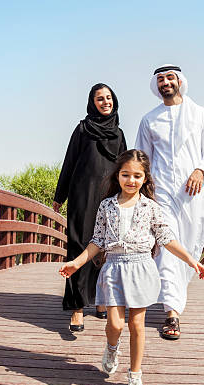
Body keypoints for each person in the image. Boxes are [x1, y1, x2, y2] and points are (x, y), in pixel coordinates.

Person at [59, 149, 204, 385]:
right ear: (118, 176)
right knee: (115, 325)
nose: (131, 180)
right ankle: (112, 348)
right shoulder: (106, 206)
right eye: (125, 175)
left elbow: (167, 239)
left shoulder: (151, 207)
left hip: (142, 269)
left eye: (137, 176)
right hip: (113, 269)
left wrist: (191, 261)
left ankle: (135, 377)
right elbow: (97, 241)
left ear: (145, 179)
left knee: (137, 325)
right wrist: (77, 262)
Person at [135, 64, 204, 340]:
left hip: (192, 193)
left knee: (191, 242)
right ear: (155, 85)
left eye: (170, 78)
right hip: (161, 193)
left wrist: (201, 170)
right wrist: (141, 193)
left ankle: (176, 292)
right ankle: (172, 312)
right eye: (160, 79)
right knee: (167, 245)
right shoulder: (150, 119)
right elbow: (142, 158)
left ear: (180, 81)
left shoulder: (200, 114)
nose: (165, 83)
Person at [53, 83, 127, 332]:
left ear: (114, 101)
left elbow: (125, 170)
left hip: (109, 199)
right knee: (79, 246)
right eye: (99, 99)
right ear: (92, 102)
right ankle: (76, 308)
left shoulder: (118, 134)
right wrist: (59, 195)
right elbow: (69, 161)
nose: (105, 102)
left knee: (106, 250)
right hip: (82, 197)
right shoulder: (83, 129)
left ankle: (100, 301)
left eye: (108, 98)